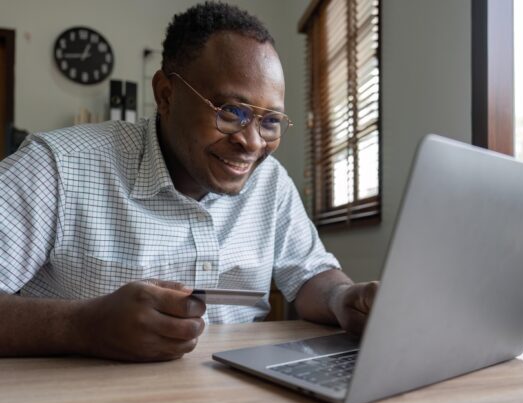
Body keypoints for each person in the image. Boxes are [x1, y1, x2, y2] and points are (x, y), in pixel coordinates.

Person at [0, 2, 377, 362]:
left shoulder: (270, 182)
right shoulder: (59, 166)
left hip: (238, 400)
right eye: (231, 112)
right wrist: (83, 327)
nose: (252, 142)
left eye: (270, 121)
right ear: (166, 94)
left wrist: (343, 298)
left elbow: (310, 273)